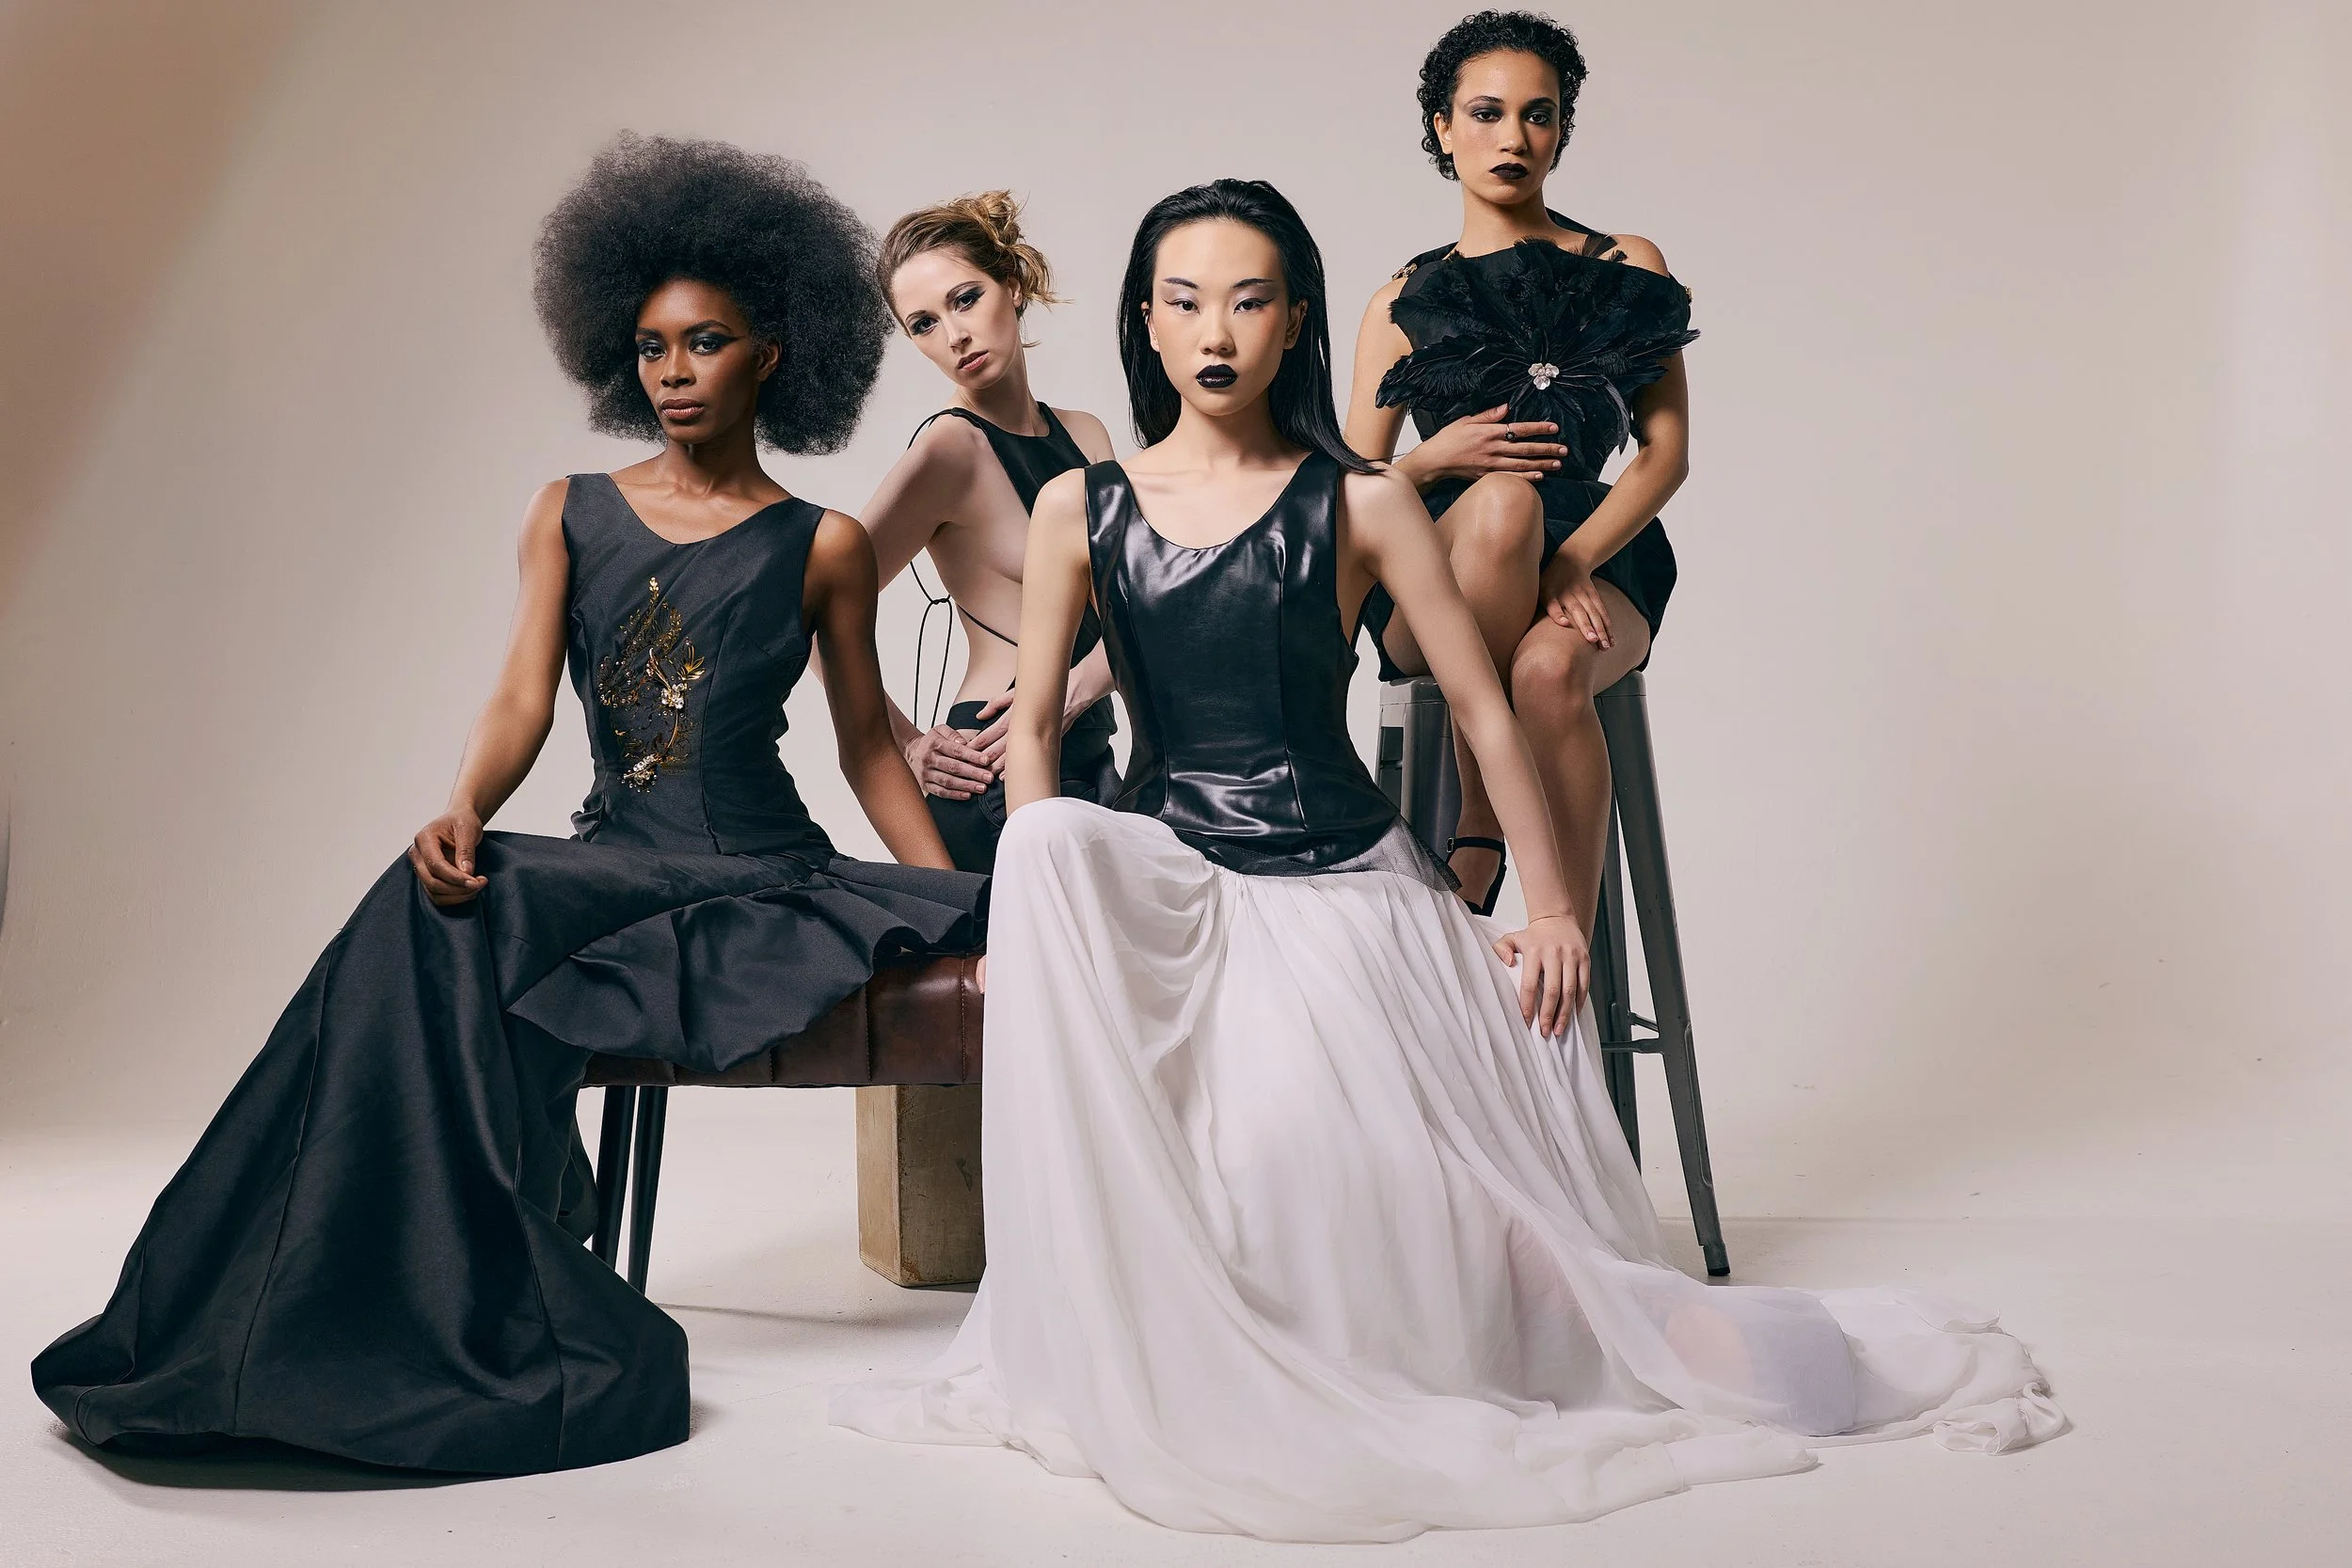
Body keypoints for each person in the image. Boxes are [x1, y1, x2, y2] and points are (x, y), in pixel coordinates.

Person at [831, 179, 2060, 1542]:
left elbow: (1482, 706)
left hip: (1336, 880)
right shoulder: (1080, 504)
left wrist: (1550, 905)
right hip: (1173, 873)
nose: (1217, 329)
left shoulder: (1361, 500)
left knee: (1317, 1166)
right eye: (1185, 301)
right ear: (1145, 322)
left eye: (1249, 298)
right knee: (1054, 831)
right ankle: (1108, 1315)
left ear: (1296, 321)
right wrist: (1007, 912)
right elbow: (1043, 738)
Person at [31, 135, 985, 1477]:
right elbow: (521, 701)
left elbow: (868, 749)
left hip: (757, 875)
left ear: (774, 350)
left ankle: (405, 1288)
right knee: (434, 897)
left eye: (705, 342)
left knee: (449, 915)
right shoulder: (569, 511)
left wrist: (951, 903)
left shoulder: (820, 542)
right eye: (650, 346)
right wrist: (464, 802)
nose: (670, 372)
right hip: (611, 865)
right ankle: (317, 1293)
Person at [1344, 9, 1692, 925]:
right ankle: (1483, 807)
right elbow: (1345, 496)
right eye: (1487, 113)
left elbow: (1665, 455)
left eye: (1538, 116)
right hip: (1440, 572)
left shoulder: (1623, 265)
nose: (1513, 138)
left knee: (1546, 674)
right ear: (1442, 128)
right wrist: (1433, 458)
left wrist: (1575, 559)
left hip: (1594, 556)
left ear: (1561, 130)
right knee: (1499, 504)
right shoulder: (1401, 299)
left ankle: (1557, 961)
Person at [855, 193, 1121, 872]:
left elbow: (1139, 606)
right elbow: (806, 609)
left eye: (965, 298)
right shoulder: (949, 451)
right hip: (991, 772)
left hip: (1093, 755)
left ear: (1012, 281)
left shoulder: (1086, 434)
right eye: (923, 323)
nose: (954, 335)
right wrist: (908, 743)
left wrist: (1083, 685)